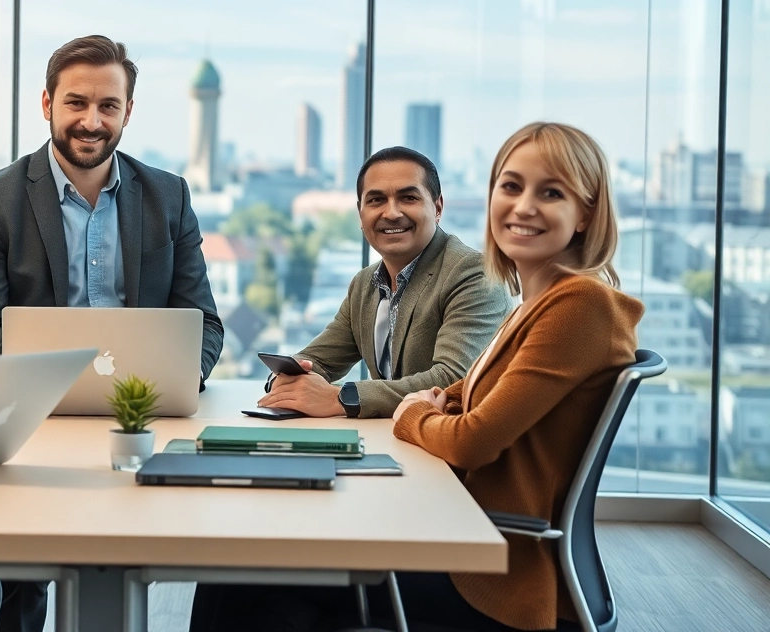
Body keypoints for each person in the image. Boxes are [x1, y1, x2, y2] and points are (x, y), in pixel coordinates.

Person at [192, 122, 643, 632]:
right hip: (453, 522)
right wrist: (299, 383)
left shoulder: (578, 304)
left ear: (587, 212)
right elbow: (463, 392)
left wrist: (411, 413)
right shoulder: (536, 304)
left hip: (489, 566)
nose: (523, 206)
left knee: (246, 580)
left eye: (551, 192)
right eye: (510, 187)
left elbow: (471, 437)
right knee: (249, 568)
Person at [0, 34, 224, 632]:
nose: (91, 121)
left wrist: (178, 376)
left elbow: (204, 322)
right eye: (76, 103)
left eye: (108, 106)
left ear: (128, 112)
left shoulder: (168, 196)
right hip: (32, 426)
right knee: (20, 589)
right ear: (46, 103)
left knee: (135, 560)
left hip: (142, 424)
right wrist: (63, 380)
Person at [256, 146, 510, 419]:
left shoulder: (474, 273)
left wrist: (340, 398)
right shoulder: (365, 284)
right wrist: (284, 381)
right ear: (361, 213)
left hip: (456, 454)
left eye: (408, 198)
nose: (391, 213)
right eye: (376, 200)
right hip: (395, 442)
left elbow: (453, 379)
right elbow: (317, 360)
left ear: (437, 207)